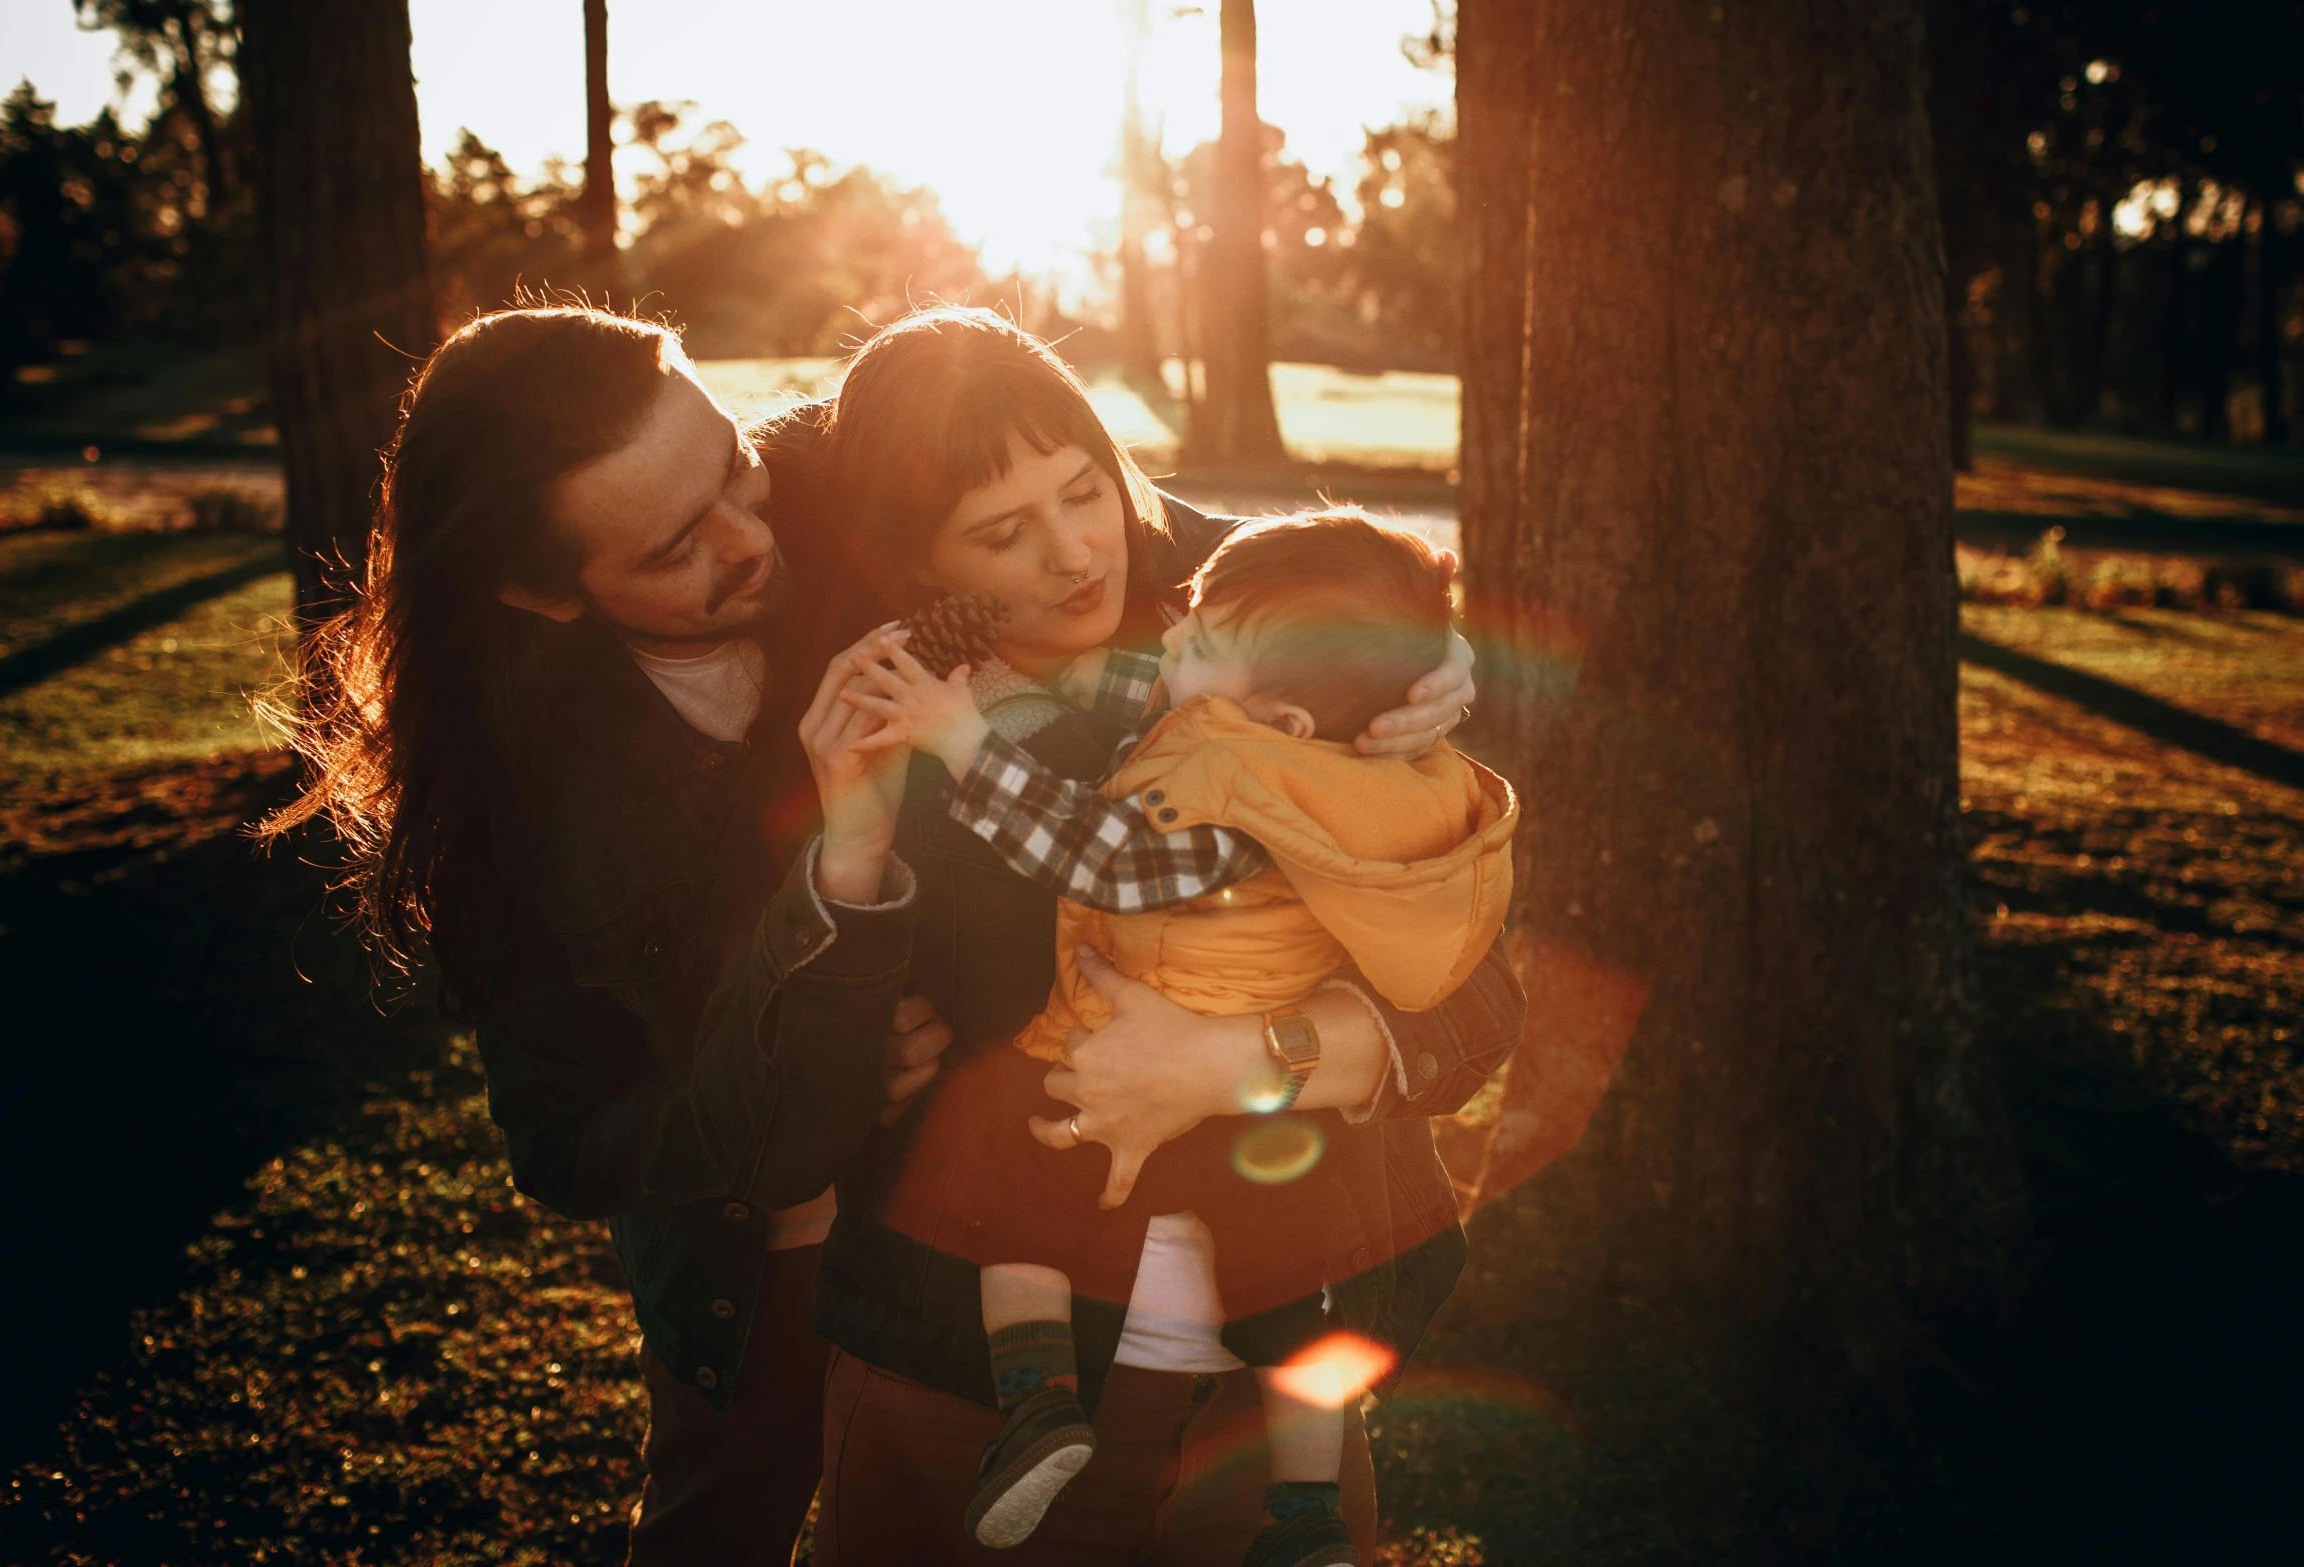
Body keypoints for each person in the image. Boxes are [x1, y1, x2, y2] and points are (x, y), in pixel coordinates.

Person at [264, 301, 1484, 1566]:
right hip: (767, 1252)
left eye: (736, 468)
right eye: (684, 546)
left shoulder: (839, 489)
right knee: (720, 1525)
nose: (756, 537)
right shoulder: (512, 806)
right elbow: (571, 1142)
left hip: (1002, 1205)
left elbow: (1130, 523)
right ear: (542, 589)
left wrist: (1402, 639)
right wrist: (807, 1074)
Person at [762, 306, 1531, 1566]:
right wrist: (851, 850)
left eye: (1085, 489)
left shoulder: (1287, 682)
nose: (1077, 554)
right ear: (917, 569)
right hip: (969, 1384)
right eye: (1003, 533)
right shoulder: (877, 728)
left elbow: (1472, 1004)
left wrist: (1245, 1057)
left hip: (1256, 1384)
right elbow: (801, 1101)